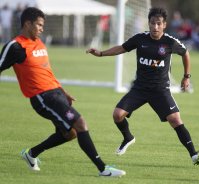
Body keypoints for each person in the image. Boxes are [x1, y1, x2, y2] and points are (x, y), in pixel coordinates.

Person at [0, 7, 125, 177]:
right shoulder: (15, 46)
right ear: (27, 24)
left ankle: (31, 154)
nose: (42, 28)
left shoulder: (39, 42)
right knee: (81, 124)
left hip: (55, 93)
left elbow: (46, 72)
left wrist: (62, 91)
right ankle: (103, 169)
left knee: (70, 133)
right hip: (42, 97)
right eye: (39, 25)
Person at [86, 7, 199, 166]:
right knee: (117, 115)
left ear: (164, 25)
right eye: (152, 23)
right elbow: (122, 48)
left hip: (160, 90)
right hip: (139, 89)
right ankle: (128, 137)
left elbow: (185, 53)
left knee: (175, 119)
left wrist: (186, 77)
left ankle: (194, 154)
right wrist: (101, 53)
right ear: (148, 23)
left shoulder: (170, 42)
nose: (155, 27)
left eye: (159, 24)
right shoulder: (140, 39)